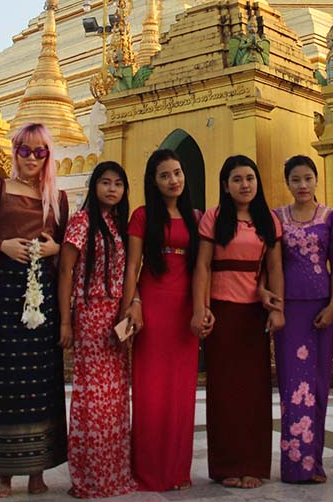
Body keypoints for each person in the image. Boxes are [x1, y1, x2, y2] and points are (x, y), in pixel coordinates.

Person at [0, 123, 68, 498]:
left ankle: (37, 470)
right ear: (15, 150)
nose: (33, 158)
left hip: (44, 296)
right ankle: (4, 473)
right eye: (26, 150)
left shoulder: (58, 197)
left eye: (41, 152)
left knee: (42, 381)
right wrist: (1, 244)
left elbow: (69, 244)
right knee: (6, 381)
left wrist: (56, 250)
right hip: (8, 294)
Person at [191, 155, 285, 490]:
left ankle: (254, 464)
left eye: (250, 178)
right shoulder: (214, 218)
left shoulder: (268, 219)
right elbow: (202, 265)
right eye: (237, 179)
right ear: (226, 185)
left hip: (253, 313)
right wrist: (201, 308)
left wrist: (277, 308)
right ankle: (226, 465)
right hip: (221, 311)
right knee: (224, 390)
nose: (245, 185)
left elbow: (274, 267)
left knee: (255, 391)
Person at [122, 149, 203, 491]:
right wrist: (132, 304)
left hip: (185, 308)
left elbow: (203, 268)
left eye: (178, 172)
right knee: (150, 391)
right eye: (165, 175)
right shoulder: (142, 216)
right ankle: (148, 472)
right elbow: (132, 266)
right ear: (153, 182)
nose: (174, 180)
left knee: (181, 393)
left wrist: (202, 307)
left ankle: (177, 470)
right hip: (152, 306)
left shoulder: (196, 217)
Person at [58, 161, 136, 498]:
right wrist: (65, 320)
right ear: (95, 186)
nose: (112, 190)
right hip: (90, 312)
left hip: (117, 314)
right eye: (105, 183)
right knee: (92, 397)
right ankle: (89, 477)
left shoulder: (120, 225)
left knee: (116, 397)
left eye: (118, 184)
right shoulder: (82, 221)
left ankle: (115, 474)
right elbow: (65, 271)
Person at [273, 155, 333, 483]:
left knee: (317, 384)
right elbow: (269, 265)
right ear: (287, 183)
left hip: (321, 307)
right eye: (295, 180)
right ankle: (294, 465)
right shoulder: (277, 218)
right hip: (289, 310)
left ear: (317, 180)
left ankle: (314, 462)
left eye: (307, 179)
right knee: (291, 386)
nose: (302, 186)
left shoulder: (331, 217)